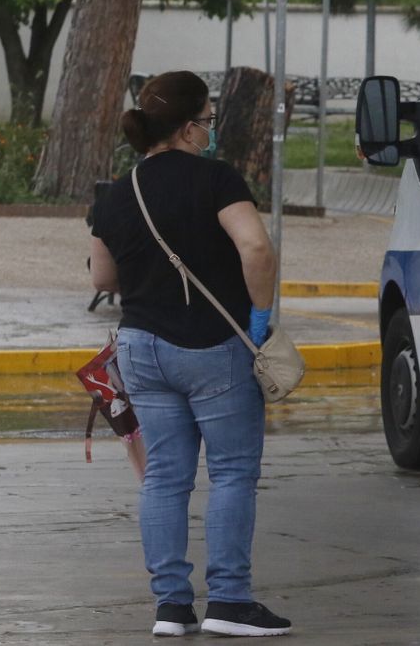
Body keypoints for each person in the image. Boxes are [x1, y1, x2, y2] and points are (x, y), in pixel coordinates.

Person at [89, 71, 292, 637]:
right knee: (230, 472)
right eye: (206, 121)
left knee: (163, 478)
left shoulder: (114, 192)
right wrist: (256, 319)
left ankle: (171, 609)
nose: (209, 132)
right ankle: (228, 601)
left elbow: (103, 274)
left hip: (140, 347)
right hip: (212, 346)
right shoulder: (216, 180)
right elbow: (255, 246)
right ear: (185, 127)